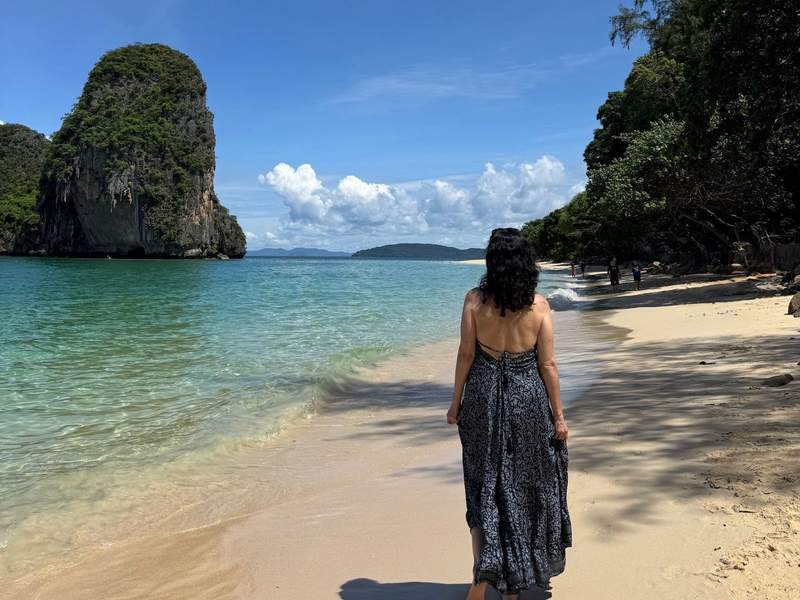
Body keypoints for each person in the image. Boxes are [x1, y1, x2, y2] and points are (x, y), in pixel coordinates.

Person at [446, 228, 572, 599]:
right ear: (526, 265)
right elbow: (547, 365)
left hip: (483, 399)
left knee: (484, 488)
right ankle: (515, 582)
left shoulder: (473, 301)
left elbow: (466, 355)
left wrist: (456, 404)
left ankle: (481, 579)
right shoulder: (540, 306)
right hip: (528, 402)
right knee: (523, 489)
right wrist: (559, 417)